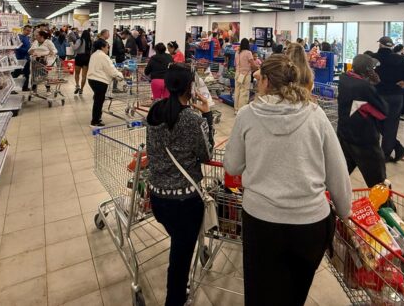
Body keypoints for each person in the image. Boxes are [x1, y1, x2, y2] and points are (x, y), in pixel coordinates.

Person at [224, 54, 352, 306]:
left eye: (259, 78)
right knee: (295, 292)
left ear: (267, 81)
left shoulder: (247, 115)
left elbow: (233, 165)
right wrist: (345, 210)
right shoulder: (316, 115)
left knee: (260, 292)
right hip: (310, 223)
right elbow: (337, 169)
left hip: (261, 221)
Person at [146, 65, 212, 306]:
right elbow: (206, 154)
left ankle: (179, 288)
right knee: (180, 258)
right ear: (190, 88)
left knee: (179, 244)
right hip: (185, 202)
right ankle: (174, 299)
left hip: (158, 198)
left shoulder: (154, 113)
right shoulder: (192, 120)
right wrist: (206, 116)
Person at [337, 54, 389, 186]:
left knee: (339, 175)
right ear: (367, 70)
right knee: (378, 181)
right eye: (372, 68)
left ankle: (330, 202)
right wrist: (374, 86)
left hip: (344, 134)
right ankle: (384, 206)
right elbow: (382, 112)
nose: (374, 71)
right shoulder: (364, 87)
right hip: (364, 140)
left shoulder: (344, 78)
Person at [375, 36, 404, 162]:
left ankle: (395, 149)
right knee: (391, 124)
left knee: (375, 121)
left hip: (377, 95)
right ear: (391, 46)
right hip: (396, 95)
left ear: (380, 45)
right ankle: (387, 153)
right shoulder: (400, 59)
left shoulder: (374, 58)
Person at [87, 39, 124, 126]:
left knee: (98, 100)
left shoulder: (94, 54)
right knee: (98, 101)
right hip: (100, 81)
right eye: (108, 47)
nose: (108, 49)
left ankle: (97, 118)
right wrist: (121, 76)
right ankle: (95, 121)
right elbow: (111, 70)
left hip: (92, 79)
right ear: (102, 47)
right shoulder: (103, 56)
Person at [234, 38, 259, 110]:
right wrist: (257, 67)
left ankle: (236, 108)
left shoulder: (237, 52)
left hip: (238, 73)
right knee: (244, 91)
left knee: (237, 91)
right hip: (245, 74)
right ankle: (241, 109)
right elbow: (253, 65)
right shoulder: (248, 53)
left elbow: (236, 63)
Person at [73, 29, 92, 95]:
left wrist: (72, 45)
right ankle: (81, 89)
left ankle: (77, 85)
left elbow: (75, 48)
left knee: (77, 73)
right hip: (86, 58)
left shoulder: (79, 40)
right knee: (84, 75)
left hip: (79, 57)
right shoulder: (90, 42)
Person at [14, 25, 32, 91]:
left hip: (27, 58)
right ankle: (10, 87)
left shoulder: (27, 38)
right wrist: (27, 50)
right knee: (17, 72)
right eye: (27, 30)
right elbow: (17, 48)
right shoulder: (19, 37)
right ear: (23, 30)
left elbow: (28, 47)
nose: (28, 32)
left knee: (27, 73)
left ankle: (25, 87)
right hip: (20, 58)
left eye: (30, 31)